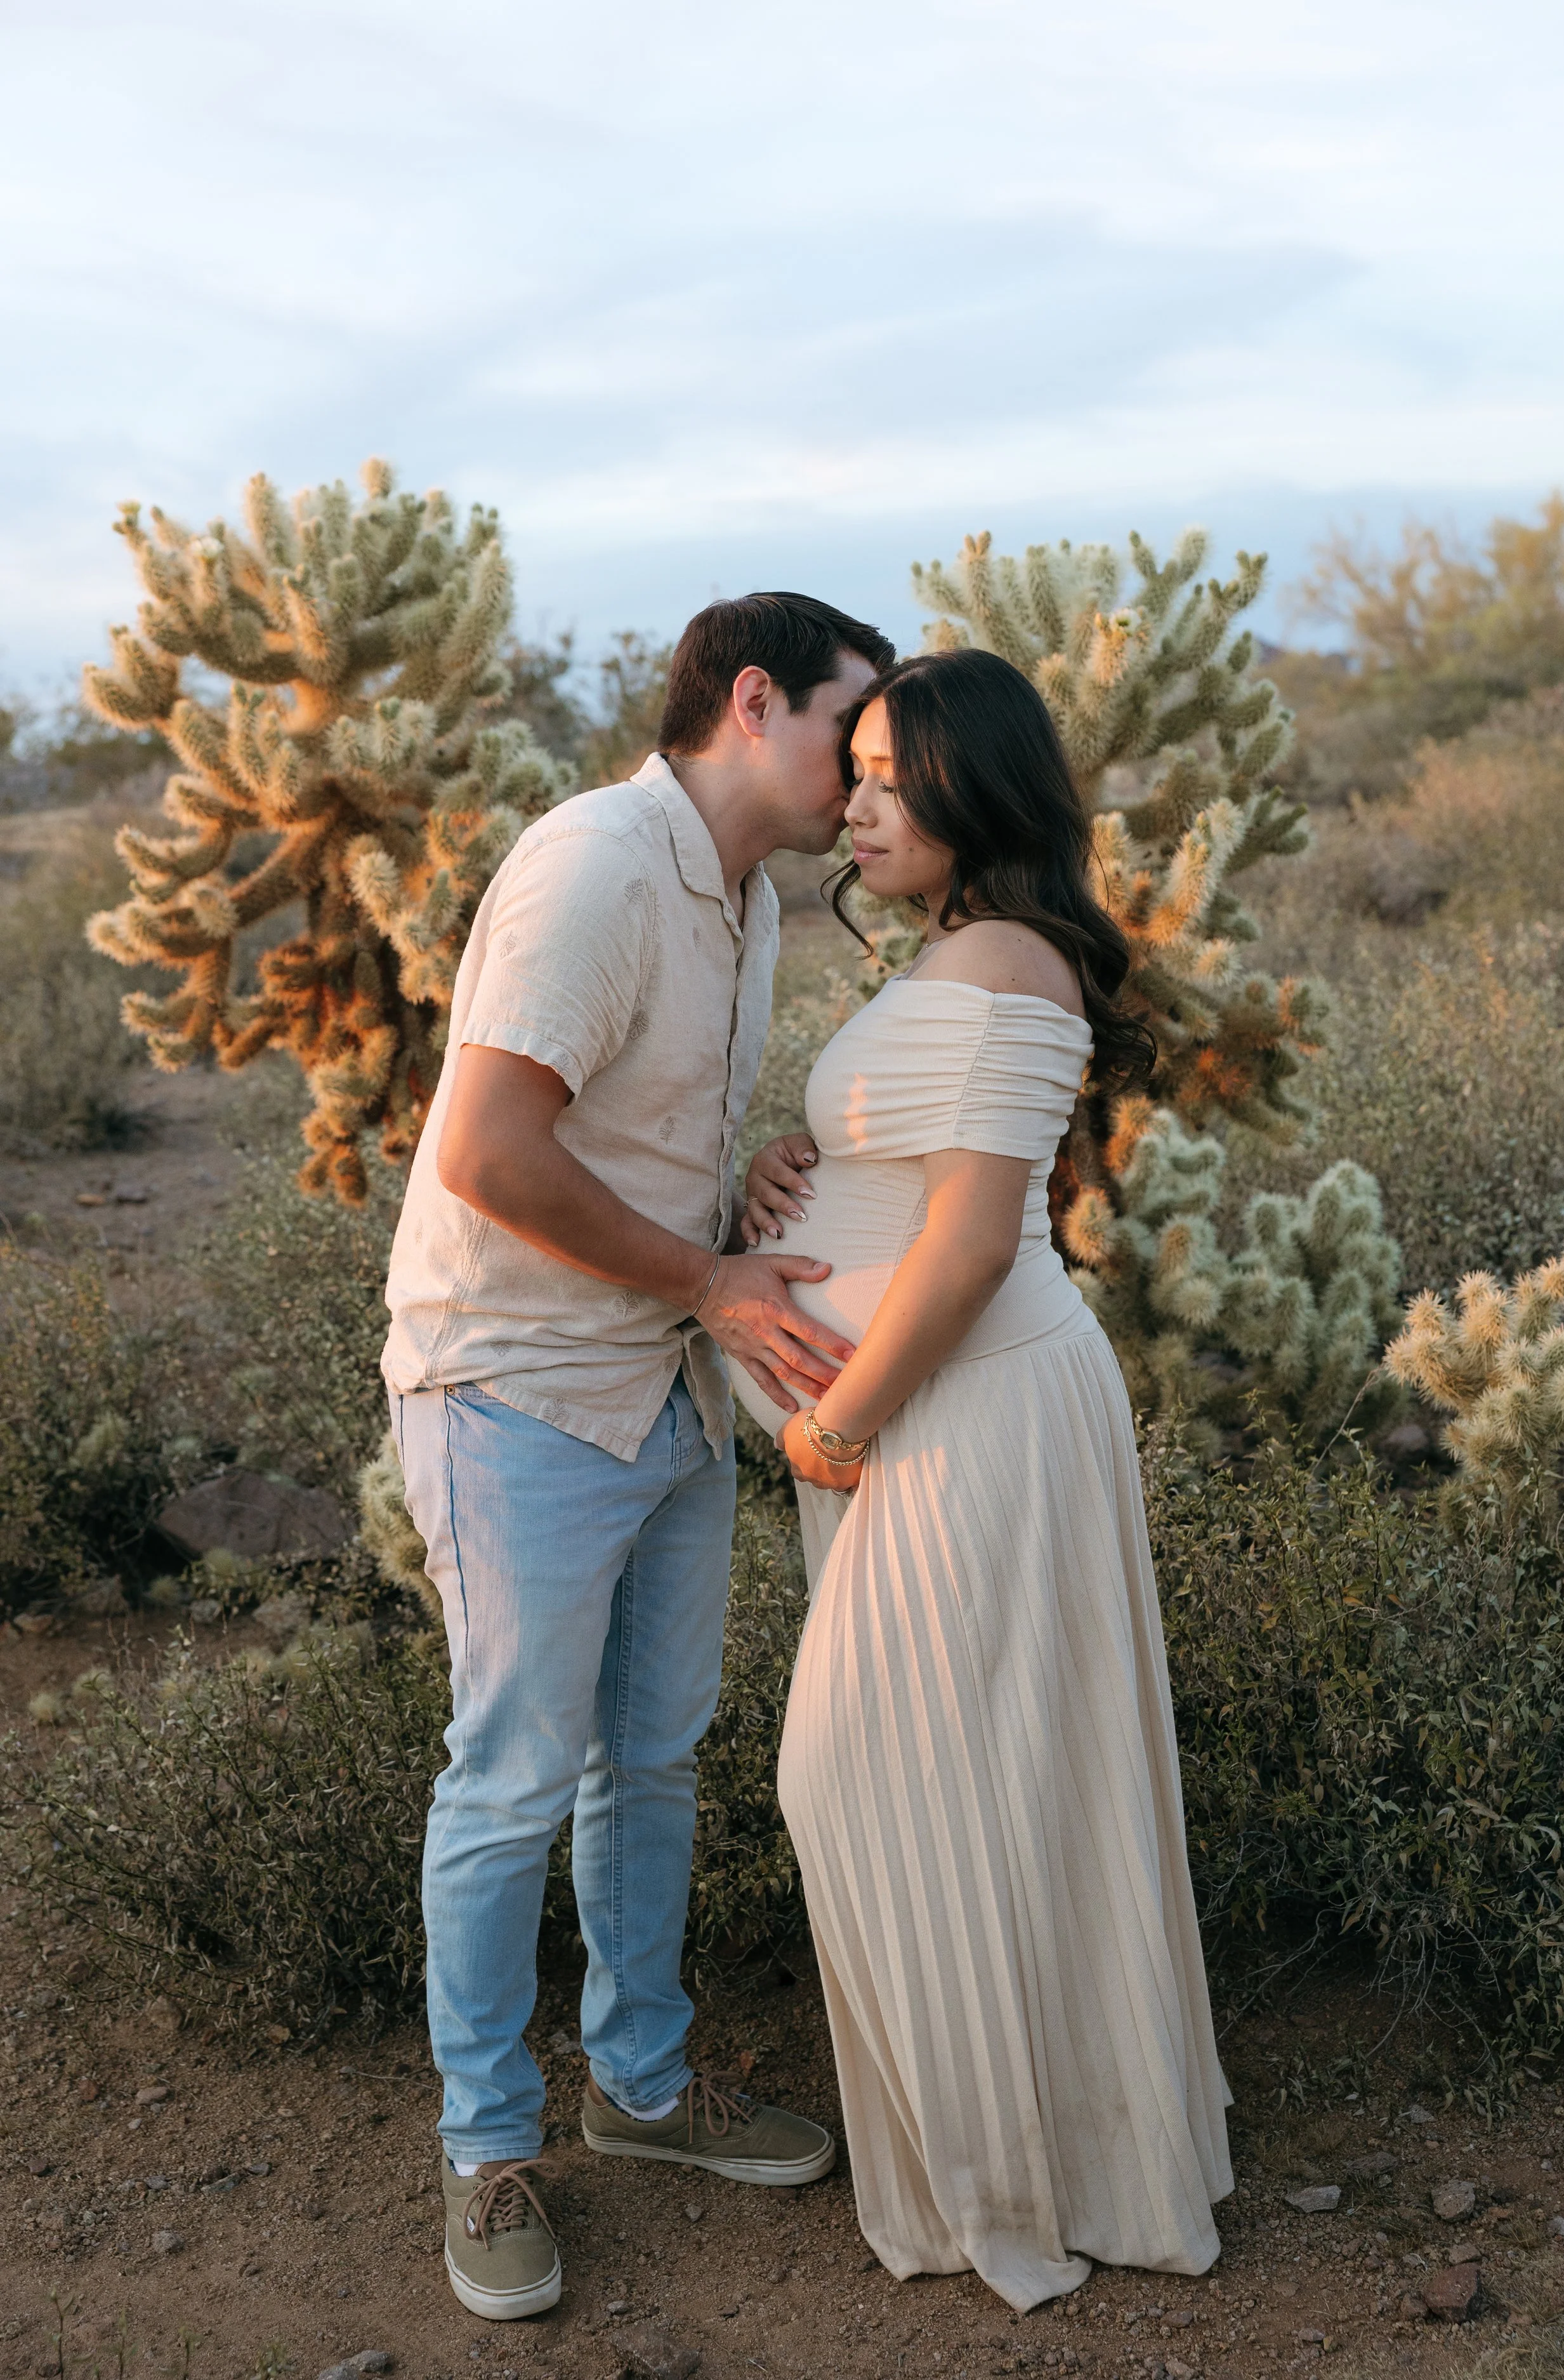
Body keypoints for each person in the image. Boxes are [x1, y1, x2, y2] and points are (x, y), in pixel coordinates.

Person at [381, 592, 895, 2320]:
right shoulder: (598, 863)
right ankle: (485, 2146)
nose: (866, 775)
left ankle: (643, 2087)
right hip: (517, 1386)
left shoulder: (745, 900)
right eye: (848, 730)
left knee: (649, 1761)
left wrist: (738, 1198)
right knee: (512, 1774)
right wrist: (708, 1278)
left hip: (665, 1380)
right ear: (752, 700)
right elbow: (485, 1150)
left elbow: (624, 1130)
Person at [730, 647, 1233, 2311]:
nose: (857, 805)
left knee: (866, 1770)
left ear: (979, 786)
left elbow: (965, 1247)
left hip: (965, 1412)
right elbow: (923, 1160)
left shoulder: (1011, 957)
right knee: (991, 1777)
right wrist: (797, 1161)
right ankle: (1032, 2154)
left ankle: (1029, 2171)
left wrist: (837, 1426)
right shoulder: (962, 949)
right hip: (926, 1413)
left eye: (896, 777)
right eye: (857, 771)